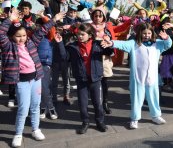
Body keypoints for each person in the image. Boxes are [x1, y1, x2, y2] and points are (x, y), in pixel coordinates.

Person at [0, 8, 65, 148]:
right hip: (21, 82)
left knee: (35, 106)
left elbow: (42, 31)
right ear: (11, 36)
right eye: (18, 36)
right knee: (23, 108)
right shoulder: (8, 46)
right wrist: (10, 19)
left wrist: (53, 20)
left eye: (23, 35)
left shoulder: (31, 42)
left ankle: (36, 129)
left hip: (36, 79)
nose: (21, 38)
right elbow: (1, 33)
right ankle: (18, 134)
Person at [101, 23, 172, 129]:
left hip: (152, 78)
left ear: (152, 33)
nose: (147, 35)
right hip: (138, 78)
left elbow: (168, 45)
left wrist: (167, 38)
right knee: (136, 99)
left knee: (154, 97)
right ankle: (135, 119)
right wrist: (111, 43)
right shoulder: (133, 44)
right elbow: (121, 44)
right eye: (144, 33)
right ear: (140, 33)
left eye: (149, 33)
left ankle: (156, 115)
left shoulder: (157, 43)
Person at [55, 23, 113, 134]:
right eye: (78, 34)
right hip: (81, 80)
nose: (80, 36)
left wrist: (108, 44)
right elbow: (64, 57)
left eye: (83, 34)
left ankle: (99, 121)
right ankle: (85, 122)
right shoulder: (73, 46)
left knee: (97, 103)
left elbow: (110, 52)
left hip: (95, 79)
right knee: (82, 104)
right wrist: (60, 43)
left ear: (90, 35)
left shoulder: (97, 44)